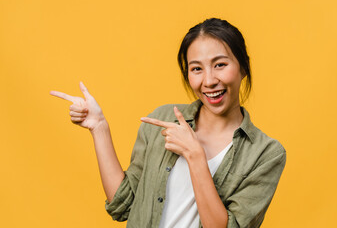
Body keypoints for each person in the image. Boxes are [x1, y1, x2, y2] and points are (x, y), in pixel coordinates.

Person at [50, 18, 286, 228]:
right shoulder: (163, 119)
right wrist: (99, 127)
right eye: (196, 69)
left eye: (220, 65)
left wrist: (195, 155)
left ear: (243, 67)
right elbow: (123, 204)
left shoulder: (266, 154)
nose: (209, 80)